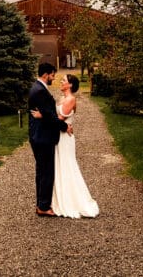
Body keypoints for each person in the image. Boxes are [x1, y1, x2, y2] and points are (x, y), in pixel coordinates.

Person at [49, 74, 99, 218]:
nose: (61, 82)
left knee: (67, 165)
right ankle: (59, 198)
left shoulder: (71, 99)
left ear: (70, 85)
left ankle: (72, 201)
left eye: (64, 80)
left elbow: (58, 119)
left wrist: (43, 116)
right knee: (58, 166)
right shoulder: (62, 99)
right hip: (60, 135)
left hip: (65, 138)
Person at [28, 62, 70, 217]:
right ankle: (43, 207)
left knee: (42, 171)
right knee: (46, 172)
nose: (53, 77)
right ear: (45, 74)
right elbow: (51, 116)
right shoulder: (39, 91)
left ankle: (41, 204)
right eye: (52, 74)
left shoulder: (37, 88)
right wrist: (64, 126)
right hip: (42, 137)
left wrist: (44, 115)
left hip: (38, 136)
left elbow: (46, 113)